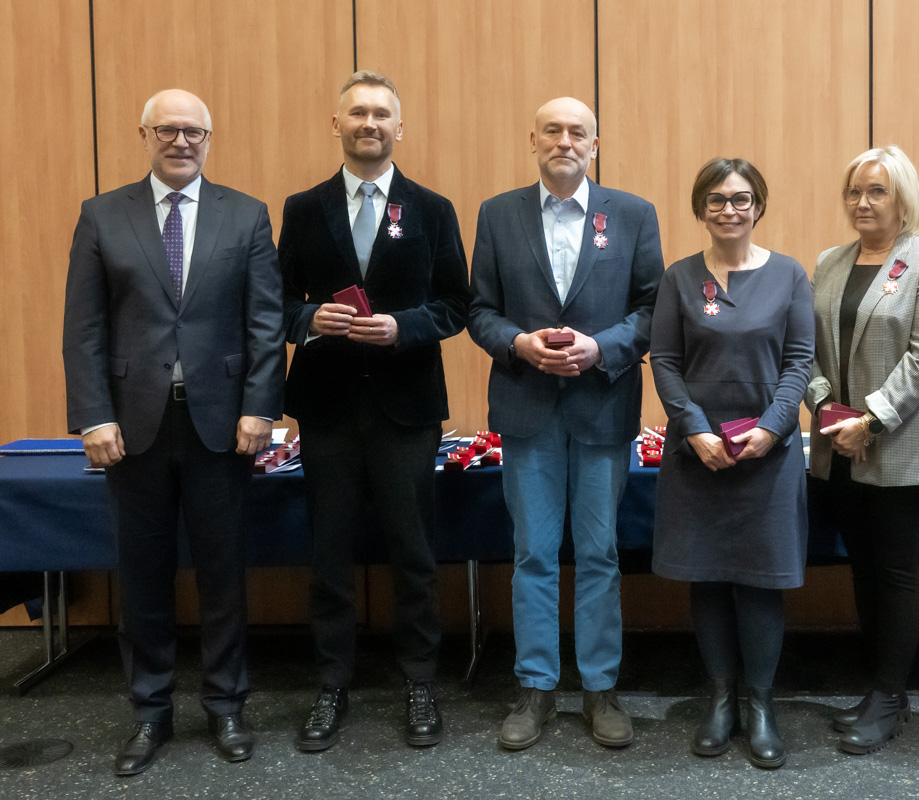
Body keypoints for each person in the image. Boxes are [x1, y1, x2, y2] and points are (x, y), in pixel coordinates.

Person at [62, 89, 285, 775]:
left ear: (209, 139)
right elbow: (84, 328)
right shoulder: (102, 215)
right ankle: (149, 711)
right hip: (132, 429)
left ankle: (226, 705)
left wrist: (261, 407)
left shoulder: (246, 214)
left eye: (193, 131)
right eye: (167, 130)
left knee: (222, 574)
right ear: (145, 135)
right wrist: (94, 415)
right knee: (142, 576)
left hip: (223, 426)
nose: (181, 141)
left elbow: (265, 322)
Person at [279, 71, 470, 752]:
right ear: (337, 125)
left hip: (406, 409)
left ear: (399, 127)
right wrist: (309, 318)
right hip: (326, 408)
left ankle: (420, 680)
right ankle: (332, 683)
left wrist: (403, 327)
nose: (370, 123)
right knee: (328, 553)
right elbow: (276, 302)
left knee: (413, 553)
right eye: (357, 112)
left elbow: (457, 304)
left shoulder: (432, 209)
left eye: (382, 114)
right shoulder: (303, 208)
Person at [468, 97, 663, 751]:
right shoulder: (498, 214)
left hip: (602, 405)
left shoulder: (632, 214)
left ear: (595, 144)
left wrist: (601, 348)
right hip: (526, 407)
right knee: (533, 553)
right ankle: (536, 688)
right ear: (533, 140)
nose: (565, 141)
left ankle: (600, 688)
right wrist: (518, 344)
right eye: (552, 130)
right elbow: (480, 310)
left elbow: (651, 308)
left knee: (600, 554)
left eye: (578, 132)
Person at [650, 158, 814, 769]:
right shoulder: (678, 278)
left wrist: (773, 428)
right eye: (716, 200)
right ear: (701, 209)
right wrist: (693, 428)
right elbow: (664, 362)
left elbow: (800, 360)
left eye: (741, 199)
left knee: (761, 580)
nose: (729, 210)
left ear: (759, 206)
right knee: (709, 576)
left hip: (768, 457)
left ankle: (761, 705)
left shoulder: (790, 275)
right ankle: (720, 700)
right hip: (699, 454)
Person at [805, 146, 919, 754]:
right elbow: (806, 348)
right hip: (837, 443)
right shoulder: (830, 261)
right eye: (854, 191)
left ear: (903, 198)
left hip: (899, 441)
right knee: (862, 566)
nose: (862, 202)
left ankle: (891, 696)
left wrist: (869, 421)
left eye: (877, 191)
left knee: (895, 571)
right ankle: (879, 686)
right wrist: (825, 409)